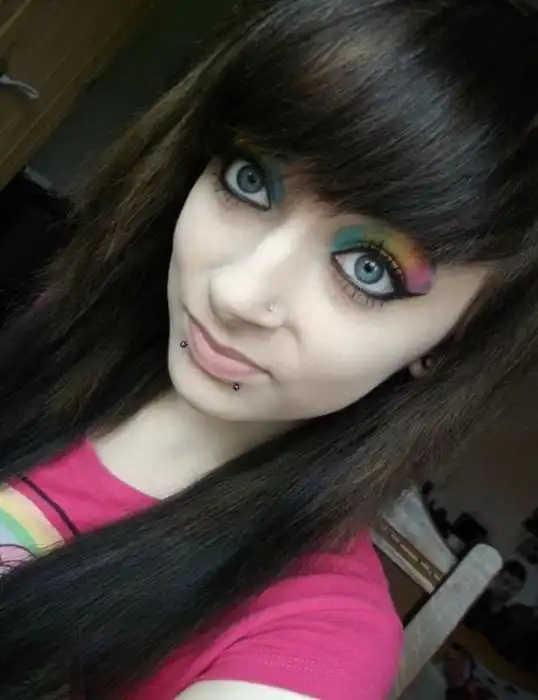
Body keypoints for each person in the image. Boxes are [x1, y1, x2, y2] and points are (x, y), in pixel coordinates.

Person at [1, 0, 538, 698]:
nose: (236, 290)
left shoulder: (314, 640)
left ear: (452, 343)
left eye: (368, 268)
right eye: (250, 179)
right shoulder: (60, 325)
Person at [465, 560, 528, 632]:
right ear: (496, 577)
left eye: (514, 588)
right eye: (506, 582)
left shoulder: (508, 618)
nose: (508, 590)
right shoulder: (474, 598)